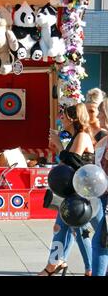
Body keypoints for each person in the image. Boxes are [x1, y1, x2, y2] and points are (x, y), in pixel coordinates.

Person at [39, 103, 95, 276]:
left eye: (63, 116)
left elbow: (72, 161)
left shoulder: (82, 136)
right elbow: (66, 162)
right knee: (61, 228)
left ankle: (89, 269)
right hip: (71, 191)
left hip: (80, 192)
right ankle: (54, 263)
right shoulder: (74, 136)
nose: (60, 119)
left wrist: (59, 144)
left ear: (72, 119)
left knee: (80, 229)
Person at [90, 97, 108, 276]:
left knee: (101, 242)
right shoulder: (102, 140)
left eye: (101, 111)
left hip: (106, 199)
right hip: (101, 198)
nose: (99, 115)